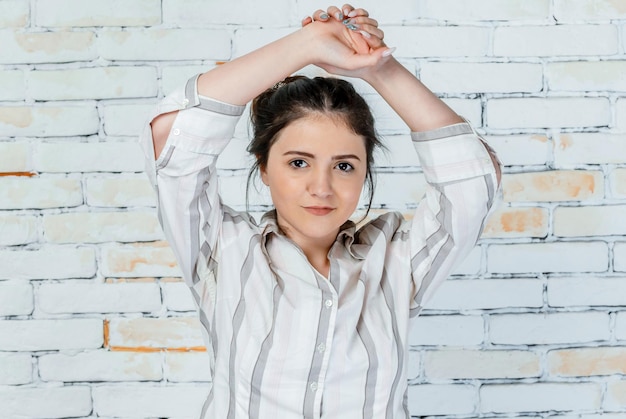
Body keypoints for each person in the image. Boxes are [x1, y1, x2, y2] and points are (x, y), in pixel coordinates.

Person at [139, 4, 501, 418]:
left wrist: (378, 67)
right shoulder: (223, 249)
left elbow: (473, 181)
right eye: (298, 162)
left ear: (364, 173)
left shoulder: (396, 263)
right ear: (264, 168)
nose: (321, 188)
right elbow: (171, 140)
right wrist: (305, 46)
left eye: (344, 166)